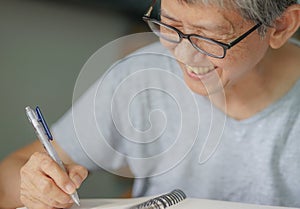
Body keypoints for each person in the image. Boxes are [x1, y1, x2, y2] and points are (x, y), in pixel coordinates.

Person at [1, 0, 300, 208]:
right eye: (169, 25)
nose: (182, 56)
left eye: (209, 38)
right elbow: (6, 181)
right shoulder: (143, 76)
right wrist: (37, 186)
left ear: (280, 26)